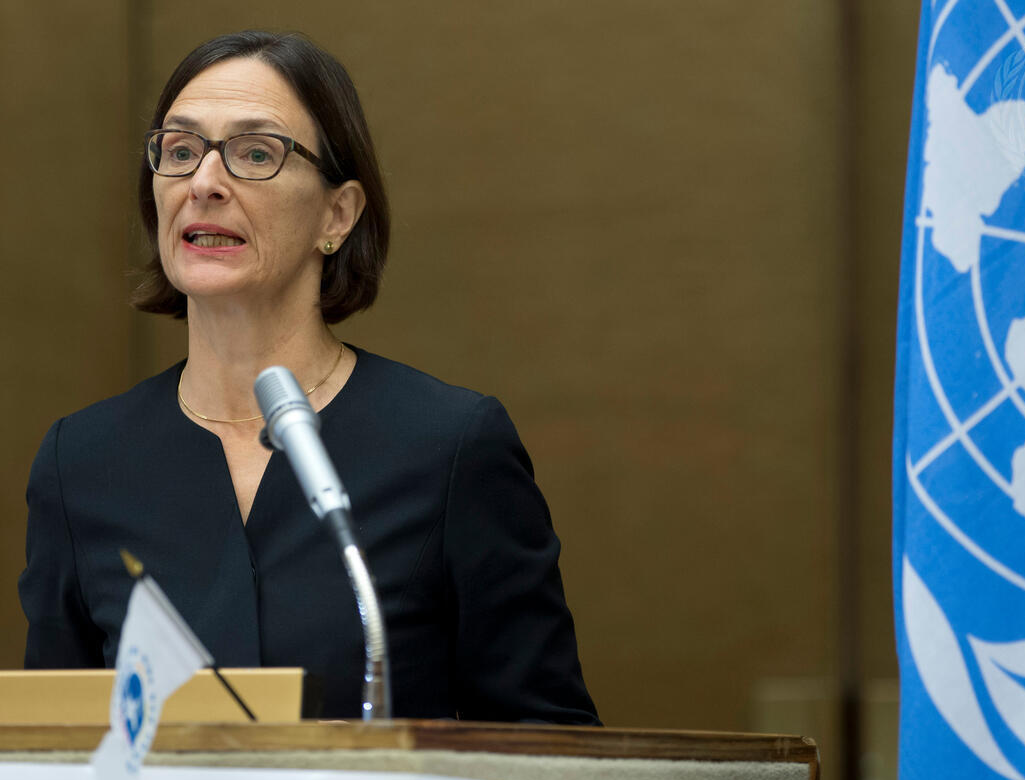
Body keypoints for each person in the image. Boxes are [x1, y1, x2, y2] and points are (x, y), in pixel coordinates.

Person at [19, 30, 599, 724]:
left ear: (337, 214)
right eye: (179, 151)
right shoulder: (82, 462)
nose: (204, 183)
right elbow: (50, 742)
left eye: (255, 153)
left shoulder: (449, 446)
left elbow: (551, 744)